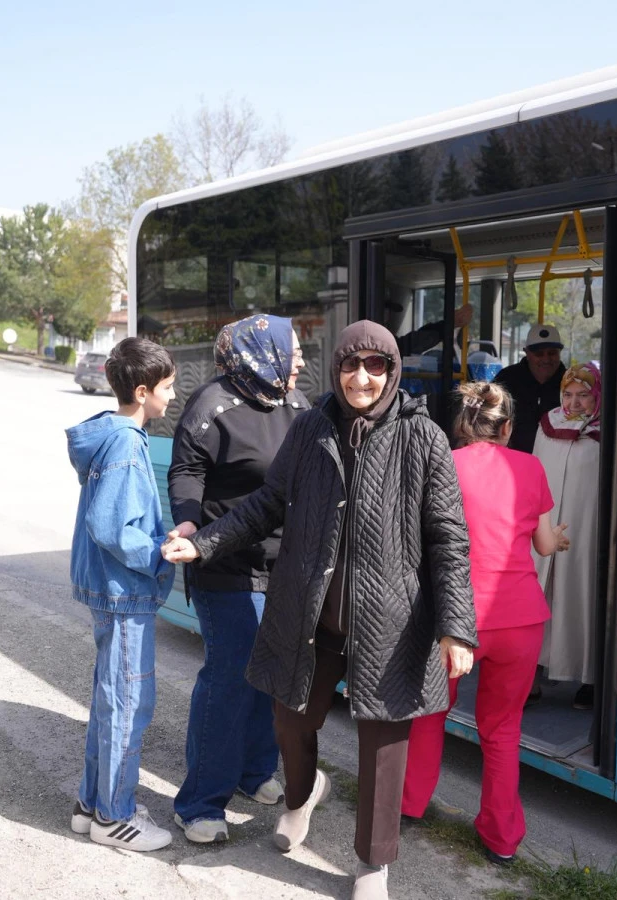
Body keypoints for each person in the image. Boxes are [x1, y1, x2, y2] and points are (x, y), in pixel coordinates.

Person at [163, 320, 477, 900]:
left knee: (384, 747)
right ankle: (301, 795)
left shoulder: (423, 437)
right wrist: (204, 542)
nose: (362, 378)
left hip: (391, 624)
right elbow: (264, 504)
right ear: (337, 369)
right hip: (309, 616)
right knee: (291, 722)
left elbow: (449, 537)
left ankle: (372, 865)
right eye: (351, 365)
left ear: (390, 371)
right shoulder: (309, 427)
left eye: (375, 366)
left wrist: (457, 627)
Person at [401, 381, 568, 867]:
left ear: (460, 426)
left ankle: (410, 805)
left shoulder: (445, 466)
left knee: (430, 713)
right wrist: (557, 538)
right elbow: (541, 545)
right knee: (502, 730)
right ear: (508, 428)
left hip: (456, 618)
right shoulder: (531, 467)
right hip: (520, 620)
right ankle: (501, 838)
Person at [167, 315, 309, 843]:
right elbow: (186, 471)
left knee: (269, 674)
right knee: (230, 676)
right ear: (260, 352)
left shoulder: (296, 404)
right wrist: (187, 518)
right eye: (291, 351)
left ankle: (255, 772)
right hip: (224, 561)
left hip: (285, 566)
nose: (299, 361)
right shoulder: (212, 405)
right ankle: (200, 802)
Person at [66, 337, 178, 852]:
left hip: (110, 587)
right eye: (168, 386)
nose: (173, 396)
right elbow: (112, 525)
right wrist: (161, 551)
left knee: (112, 698)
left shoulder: (110, 437)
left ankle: (93, 805)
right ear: (142, 390)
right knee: (129, 703)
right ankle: (115, 816)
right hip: (124, 589)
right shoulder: (129, 443)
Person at [533, 361, 601, 710]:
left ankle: (588, 678)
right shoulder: (547, 426)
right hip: (545, 525)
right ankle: (531, 676)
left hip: (586, 529)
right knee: (539, 593)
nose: (574, 404)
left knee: (580, 595)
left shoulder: (607, 432)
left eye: (584, 396)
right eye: (569, 394)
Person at [495, 324, 566, 452]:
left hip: (558, 459)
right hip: (513, 458)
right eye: (539, 354)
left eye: (552, 353)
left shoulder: (571, 383)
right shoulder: (506, 379)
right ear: (527, 353)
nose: (546, 359)